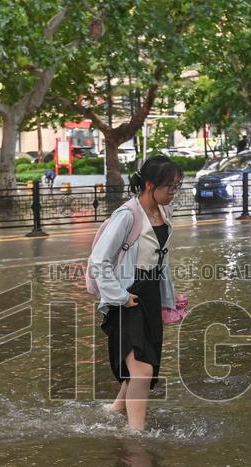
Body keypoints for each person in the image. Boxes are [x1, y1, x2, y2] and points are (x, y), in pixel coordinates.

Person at [89, 155, 182, 432]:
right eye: (170, 187)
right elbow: (99, 261)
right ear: (150, 185)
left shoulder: (164, 213)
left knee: (145, 358)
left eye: (177, 187)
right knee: (143, 368)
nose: (173, 193)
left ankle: (116, 408)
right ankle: (136, 434)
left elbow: (158, 259)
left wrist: (169, 294)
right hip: (128, 296)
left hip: (150, 295)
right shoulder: (127, 215)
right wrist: (119, 296)